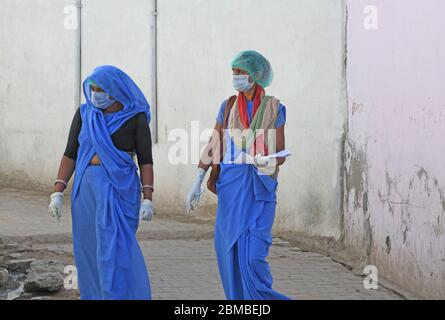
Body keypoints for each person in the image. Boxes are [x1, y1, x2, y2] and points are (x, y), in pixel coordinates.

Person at [185, 51, 290, 300]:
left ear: (255, 75)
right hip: (231, 189)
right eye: (233, 73)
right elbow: (215, 142)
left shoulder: (275, 108)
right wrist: (199, 176)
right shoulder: (228, 106)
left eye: (240, 73)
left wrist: (265, 159)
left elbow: (281, 153)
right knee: (229, 253)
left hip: (259, 189)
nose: (236, 78)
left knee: (253, 256)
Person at [48, 65, 153, 300]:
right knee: (88, 248)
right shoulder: (85, 114)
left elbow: (146, 160)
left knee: (117, 249)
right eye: (92, 88)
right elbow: (70, 154)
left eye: (101, 89)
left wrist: (148, 197)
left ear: (115, 91)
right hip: (85, 192)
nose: (96, 93)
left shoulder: (134, 118)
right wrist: (58, 190)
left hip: (119, 190)